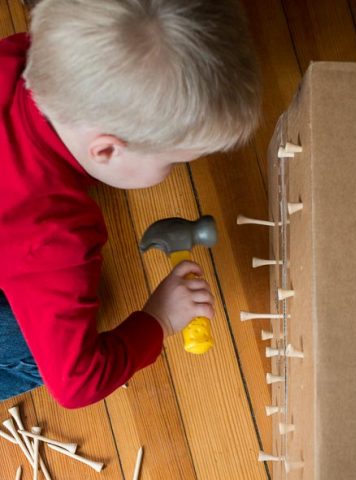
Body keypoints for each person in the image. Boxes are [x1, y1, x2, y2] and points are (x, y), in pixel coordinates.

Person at [0, 0, 261, 408]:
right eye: (174, 160)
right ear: (104, 150)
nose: (175, 168)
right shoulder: (56, 241)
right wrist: (157, 320)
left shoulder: (18, 54)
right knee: (27, 346)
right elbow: (77, 384)